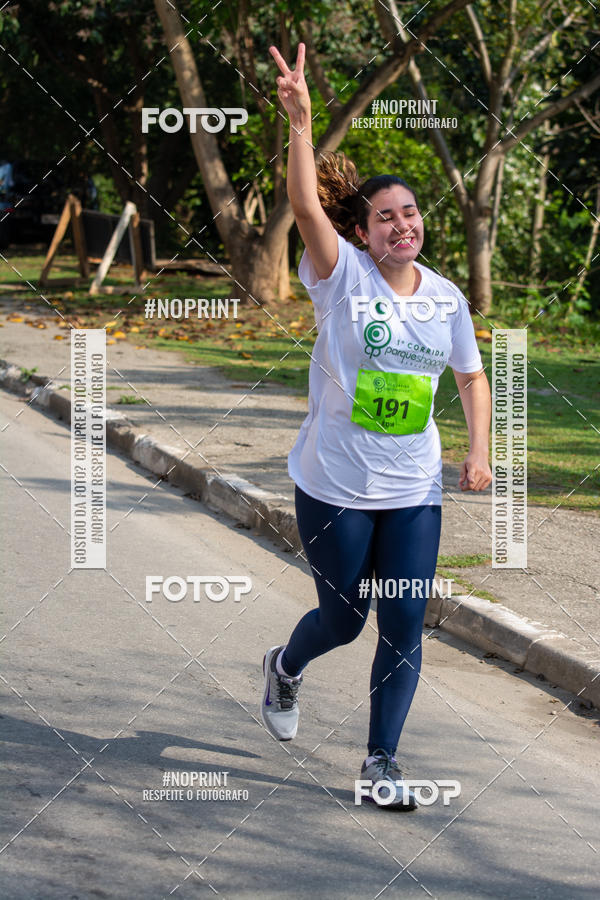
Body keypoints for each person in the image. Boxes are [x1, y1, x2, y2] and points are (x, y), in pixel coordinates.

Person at [261, 43, 492, 810]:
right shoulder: (341, 279)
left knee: (403, 623)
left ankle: (380, 764)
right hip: (333, 485)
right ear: (362, 233)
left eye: (411, 214)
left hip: (413, 489)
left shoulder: (448, 298)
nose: (402, 225)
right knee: (344, 618)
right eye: (385, 217)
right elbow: (303, 207)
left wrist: (479, 452)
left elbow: (468, 375)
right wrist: (301, 122)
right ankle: (286, 667)